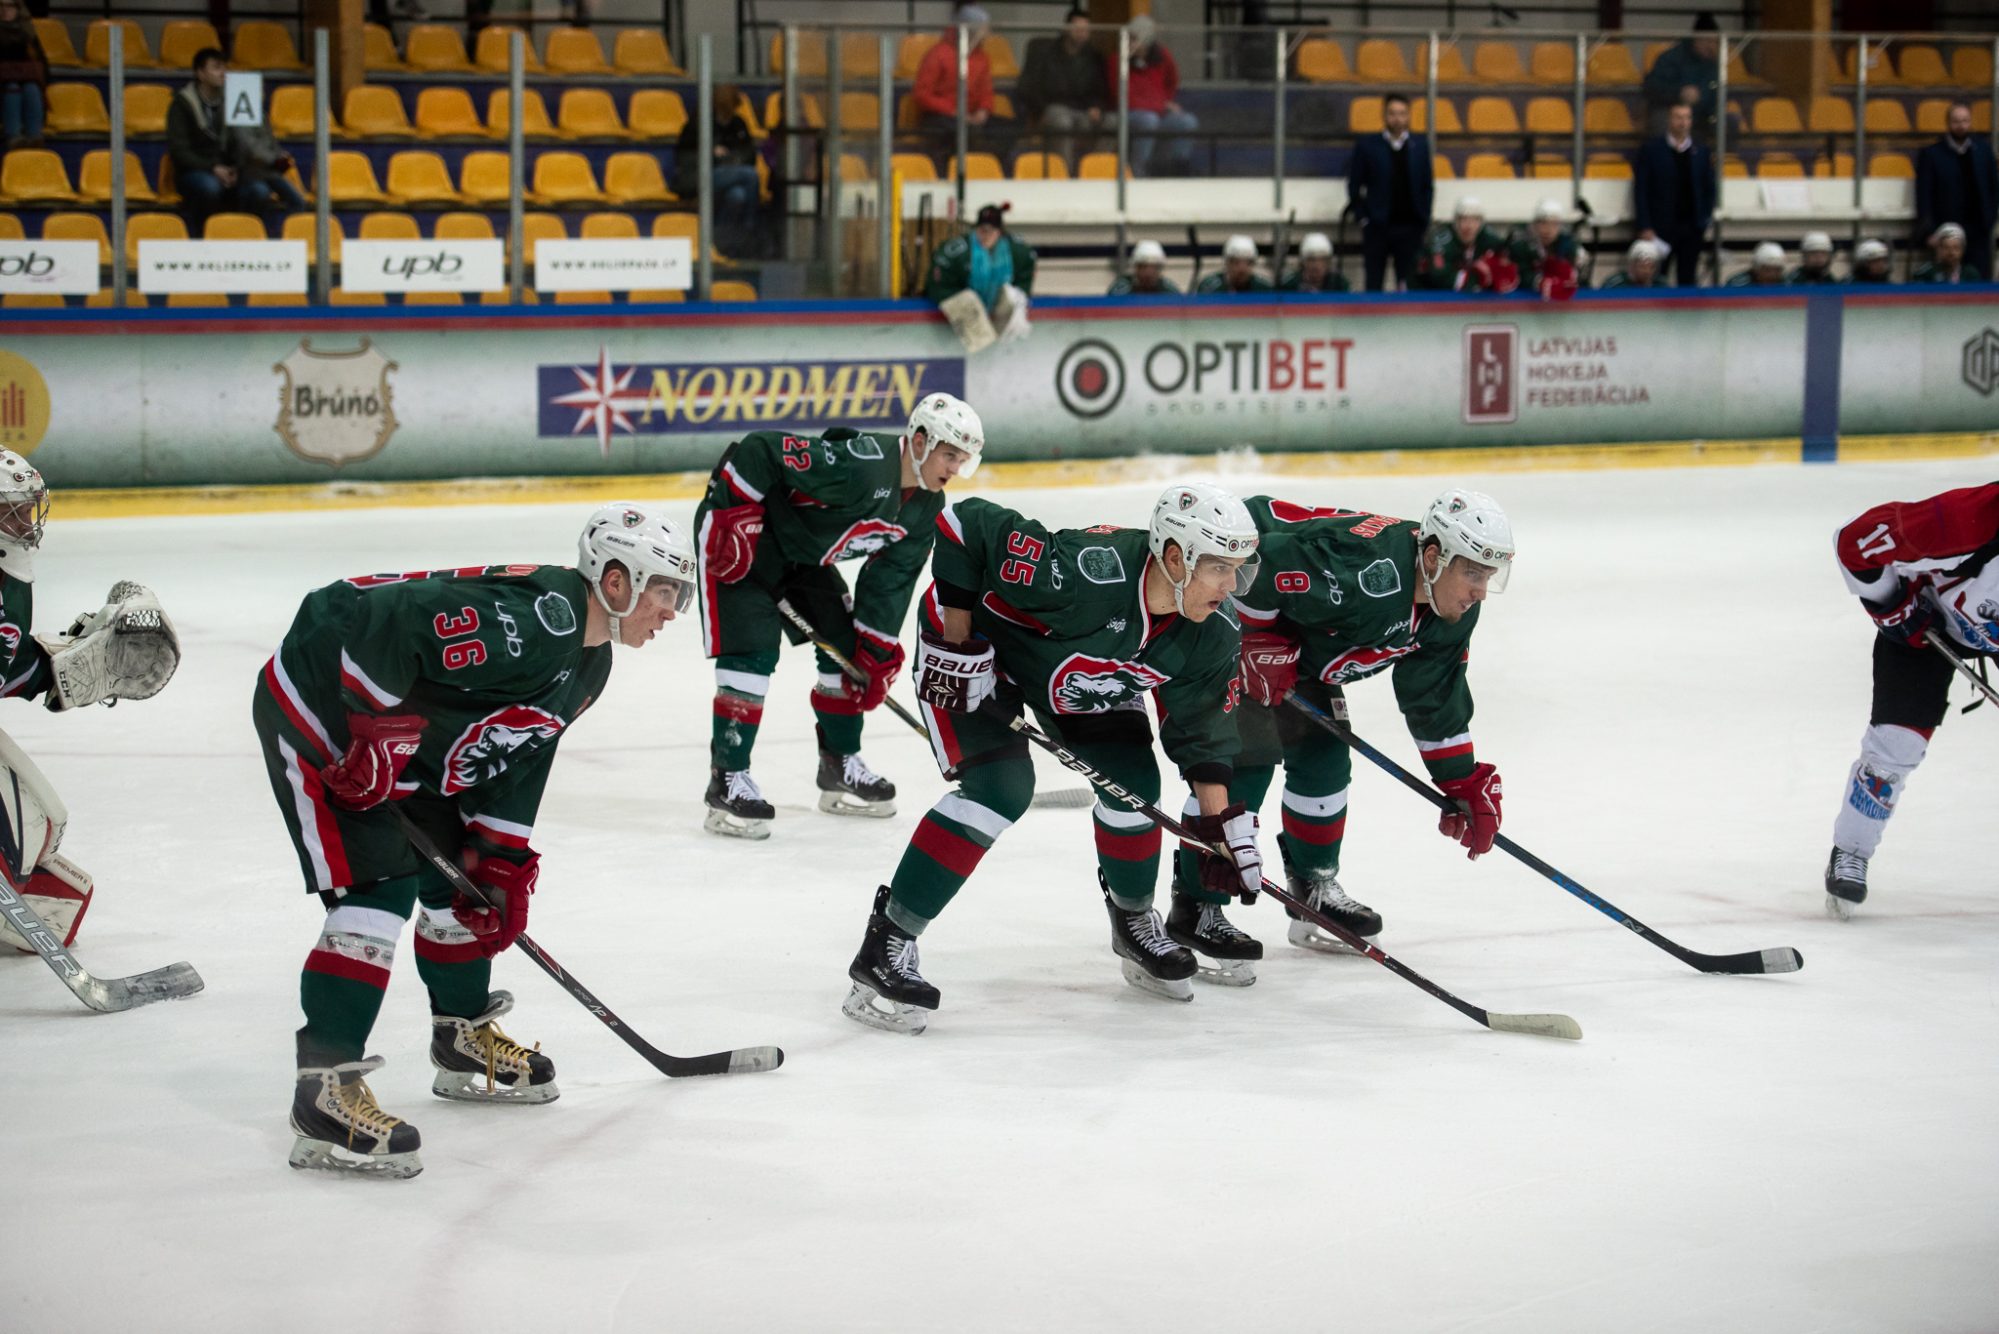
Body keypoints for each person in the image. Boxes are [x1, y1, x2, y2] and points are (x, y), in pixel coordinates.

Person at [253, 504, 698, 1178]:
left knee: (461, 878)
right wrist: (371, 734)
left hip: (402, 737)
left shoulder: (591, 661)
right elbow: (384, 619)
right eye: (664, 591)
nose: (671, 610)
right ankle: (323, 1093)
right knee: (379, 887)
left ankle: (459, 1037)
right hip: (321, 700)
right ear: (616, 581)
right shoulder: (537, 621)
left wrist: (500, 856)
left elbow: (519, 752)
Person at [842, 483, 1262, 1033]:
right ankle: (887, 942)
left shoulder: (1213, 629)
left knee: (1134, 785)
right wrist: (959, 643)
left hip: (1079, 677)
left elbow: (1204, 729)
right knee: (1000, 789)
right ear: (1177, 558)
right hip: (979, 655)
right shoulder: (1087, 574)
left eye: (1240, 570)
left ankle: (1133, 921)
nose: (1231, 587)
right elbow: (968, 524)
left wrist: (1217, 826)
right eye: (1220, 569)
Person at [1173, 491, 1513, 970]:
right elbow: (1260, 566)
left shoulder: (1452, 608)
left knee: (1325, 758)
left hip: (1304, 644)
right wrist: (1255, 641)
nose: (1480, 591)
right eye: (1473, 573)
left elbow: (1433, 695)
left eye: (1489, 576)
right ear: (1434, 558)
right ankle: (1196, 904)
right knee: (1245, 765)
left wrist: (1460, 779)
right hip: (1239, 616)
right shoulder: (1365, 575)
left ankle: (1313, 883)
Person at [696, 395, 984, 840]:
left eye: (962, 460)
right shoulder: (862, 465)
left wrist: (875, 649)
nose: (954, 469)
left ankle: (838, 764)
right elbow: (760, 449)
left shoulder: (925, 507)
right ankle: (727, 778)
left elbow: (890, 581)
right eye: (949, 455)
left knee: (847, 653)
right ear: (920, 441)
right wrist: (736, 513)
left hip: (801, 555)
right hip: (742, 536)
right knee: (751, 653)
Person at [0, 450, 181, 957]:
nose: (26, 521)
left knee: (47, 848)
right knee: (14, 842)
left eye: (27, 507)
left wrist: (64, 669)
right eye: (11, 510)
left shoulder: (9, 569)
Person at [1824, 482, 1999, 919]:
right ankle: (1852, 850)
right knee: (1896, 745)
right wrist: (1894, 608)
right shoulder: (1967, 519)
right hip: (1928, 626)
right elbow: (1854, 543)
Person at [167, 47, 306, 230]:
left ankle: (248, 235)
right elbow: (179, 151)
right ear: (200, 73)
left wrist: (237, 168)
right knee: (210, 188)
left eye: (224, 67)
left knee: (260, 191)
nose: (223, 72)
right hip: (196, 170)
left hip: (237, 170)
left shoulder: (236, 98)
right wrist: (213, 168)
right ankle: (205, 236)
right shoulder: (182, 104)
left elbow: (247, 140)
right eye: (216, 67)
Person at [1347, 92, 1434, 291]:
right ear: (1384, 115)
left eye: (1402, 113)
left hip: (1411, 228)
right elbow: (1354, 185)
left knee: (1408, 285)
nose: (1397, 119)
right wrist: (1363, 218)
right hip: (1377, 228)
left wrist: (1424, 217)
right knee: (1374, 284)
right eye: (1392, 113)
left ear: (1409, 115)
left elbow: (1427, 185)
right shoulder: (1368, 146)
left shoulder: (1420, 146)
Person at [926, 203, 1037, 348]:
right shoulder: (956, 253)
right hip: (965, 301)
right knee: (967, 302)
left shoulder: (1018, 251)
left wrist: (1019, 297)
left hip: (998, 308)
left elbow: (1025, 279)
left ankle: (1003, 345)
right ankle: (982, 348)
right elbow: (938, 285)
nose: (985, 236)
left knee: (1012, 297)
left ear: (999, 232)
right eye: (981, 231)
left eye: (990, 232)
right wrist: (960, 302)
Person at [1016, 6, 1113, 170]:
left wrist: (1097, 106)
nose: (1081, 33)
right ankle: (1064, 173)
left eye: (1085, 30)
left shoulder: (1095, 57)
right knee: (1062, 120)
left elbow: (1101, 90)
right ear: (1067, 28)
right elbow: (1028, 86)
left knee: (1113, 122)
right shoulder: (1045, 53)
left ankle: (1094, 170)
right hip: (1052, 110)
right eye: (1077, 28)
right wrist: (1040, 111)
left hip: (1083, 113)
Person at [673, 83, 760, 258]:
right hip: (702, 176)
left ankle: (718, 241)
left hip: (732, 175)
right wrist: (712, 153)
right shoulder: (699, 123)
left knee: (737, 196)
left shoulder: (738, 124)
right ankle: (750, 226)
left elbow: (750, 154)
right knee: (750, 175)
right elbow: (684, 156)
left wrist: (733, 158)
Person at [1914, 102, 1997, 285]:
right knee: (1943, 282)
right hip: (1945, 230)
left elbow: (1993, 188)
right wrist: (1929, 231)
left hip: (1978, 230)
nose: (1961, 125)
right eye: (1956, 121)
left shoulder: (1983, 151)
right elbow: (1924, 195)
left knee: (1978, 280)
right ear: (1948, 123)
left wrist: (1990, 220)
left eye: (1965, 121)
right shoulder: (1932, 154)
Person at [1633, 102, 1714, 287]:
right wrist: (1645, 225)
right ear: (1669, 120)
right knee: (1657, 277)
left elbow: (1709, 188)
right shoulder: (1652, 150)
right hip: (1660, 228)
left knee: (1688, 278)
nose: (1683, 122)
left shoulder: (1701, 151)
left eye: (1687, 118)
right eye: (1678, 117)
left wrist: (1704, 219)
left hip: (1692, 228)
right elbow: (1641, 190)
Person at [913, 6, 1003, 157]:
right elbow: (922, 94)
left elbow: (986, 91)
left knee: (1008, 129)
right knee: (965, 131)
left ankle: (993, 166)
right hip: (940, 116)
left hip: (970, 115)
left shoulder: (982, 58)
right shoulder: (938, 54)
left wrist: (983, 110)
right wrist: (953, 111)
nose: (987, 35)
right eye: (984, 29)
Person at [1117, 15, 1197, 177]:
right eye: (1130, 38)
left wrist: (1166, 101)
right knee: (1149, 120)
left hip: (1158, 112)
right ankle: (1139, 172)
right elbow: (1123, 96)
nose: (1131, 43)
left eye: (1135, 39)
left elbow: (1172, 80)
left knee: (1187, 121)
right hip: (1131, 114)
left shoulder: (1162, 56)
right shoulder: (1118, 60)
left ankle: (1176, 170)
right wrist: (1161, 105)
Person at [1642, 12, 1720, 141]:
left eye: (1715, 42)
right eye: (1707, 41)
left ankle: (1724, 154)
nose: (1711, 46)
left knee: (1729, 121)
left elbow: (1715, 94)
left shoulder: (1713, 65)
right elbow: (1652, 87)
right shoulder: (1670, 58)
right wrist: (1679, 93)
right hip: (1671, 112)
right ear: (1696, 39)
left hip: (1701, 116)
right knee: (1662, 120)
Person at [1415, 197, 1514, 292]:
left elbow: (1506, 267)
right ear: (1455, 221)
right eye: (1463, 219)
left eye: (1474, 220)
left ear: (1481, 223)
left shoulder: (1489, 238)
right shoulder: (1441, 241)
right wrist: (1476, 277)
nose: (1469, 226)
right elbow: (1440, 277)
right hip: (1424, 295)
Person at [1508, 199, 1580, 298]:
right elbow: (1519, 274)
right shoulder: (1521, 243)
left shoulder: (1567, 243)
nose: (1548, 230)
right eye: (1543, 223)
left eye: (1554, 224)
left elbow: (1575, 277)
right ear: (1535, 224)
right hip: (1524, 297)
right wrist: (1540, 282)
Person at [0, 0, 47, 149]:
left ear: (18, 9)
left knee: (31, 88)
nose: (5, 10)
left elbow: (42, 63)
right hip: (3, 85)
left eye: (9, 6)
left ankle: (35, 136)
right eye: (1, 6)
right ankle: (13, 136)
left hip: (25, 80)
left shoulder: (28, 33)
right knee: (12, 88)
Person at [1197, 234, 1273, 294]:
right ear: (1227, 263)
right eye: (1236, 263)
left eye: (1248, 263)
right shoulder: (1211, 288)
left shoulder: (1263, 288)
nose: (1242, 269)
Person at [1279, 232, 1349, 292]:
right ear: (1303, 262)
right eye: (1311, 260)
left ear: (1328, 263)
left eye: (1322, 260)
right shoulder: (1289, 285)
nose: (1316, 265)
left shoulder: (1339, 284)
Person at [1108, 238, 1180, 294]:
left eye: (1154, 268)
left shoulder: (1167, 289)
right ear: (1136, 268)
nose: (1149, 273)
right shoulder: (1122, 287)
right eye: (1144, 267)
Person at [1599, 237, 1663, 289]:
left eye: (1651, 267)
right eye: (1642, 267)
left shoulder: (1661, 285)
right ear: (1633, 265)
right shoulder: (1615, 284)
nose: (1647, 271)